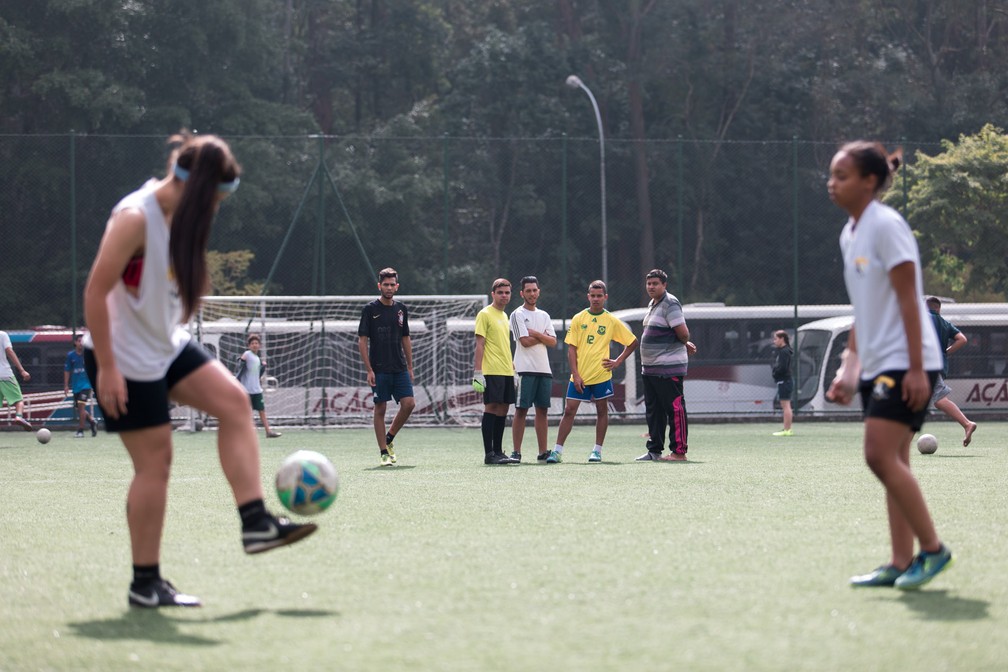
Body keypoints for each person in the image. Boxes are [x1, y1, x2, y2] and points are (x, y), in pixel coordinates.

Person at [82, 135, 316, 608]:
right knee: (156, 464)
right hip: (123, 357)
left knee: (234, 402)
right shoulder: (135, 217)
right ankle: (145, 584)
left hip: (164, 345)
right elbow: (94, 292)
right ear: (200, 186)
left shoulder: (180, 217)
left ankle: (256, 524)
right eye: (216, 198)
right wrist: (107, 366)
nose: (217, 208)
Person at [825, 140, 953, 590]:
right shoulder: (850, 233)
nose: (831, 184)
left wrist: (919, 369)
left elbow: (906, 299)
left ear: (870, 181)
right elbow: (864, 307)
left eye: (842, 176)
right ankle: (901, 563)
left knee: (879, 455)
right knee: (895, 460)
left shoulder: (886, 225)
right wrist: (849, 365)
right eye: (832, 175)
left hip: (906, 362)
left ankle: (933, 549)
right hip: (879, 361)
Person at [547, 280, 638, 463]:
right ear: (588, 296)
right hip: (579, 376)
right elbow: (571, 349)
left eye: (599, 296)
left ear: (605, 297)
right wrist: (577, 374)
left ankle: (597, 451)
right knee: (569, 410)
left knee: (601, 410)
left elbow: (633, 342)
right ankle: (557, 451)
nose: (596, 299)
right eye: (593, 296)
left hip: (602, 375)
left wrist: (618, 361)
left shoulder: (611, 320)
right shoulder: (579, 318)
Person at [357, 267, 416, 467]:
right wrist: (369, 369)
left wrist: (410, 366)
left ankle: (389, 438)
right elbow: (362, 341)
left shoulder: (401, 309)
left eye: (392, 284)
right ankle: (383, 452)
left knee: (409, 404)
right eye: (386, 284)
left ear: (397, 286)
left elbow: (405, 338)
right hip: (379, 369)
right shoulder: (370, 309)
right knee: (380, 407)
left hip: (399, 367)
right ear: (379, 286)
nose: (389, 288)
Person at [635, 269, 695, 462]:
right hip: (650, 369)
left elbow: (683, 333)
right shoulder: (653, 304)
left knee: (674, 409)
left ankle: (679, 452)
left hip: (668, 369)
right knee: (654, 412)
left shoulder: (670, 303)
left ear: (664, 285)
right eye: (649, 283)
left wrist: (684, 341)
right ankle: (654, 451)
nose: (651, 287)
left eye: (655, 284)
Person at [509, 275, 557, 462]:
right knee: (521, 410)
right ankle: (516, 452)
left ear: (539, 291)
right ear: (522, 293)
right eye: (528, 290)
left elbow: (553, 341)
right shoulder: (517, 314)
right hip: (524, 370)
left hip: (543, 370)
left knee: (542, 411)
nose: (532, 293)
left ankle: (543, 452)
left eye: (534, 290)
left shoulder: (544, 315)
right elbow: (525, 342)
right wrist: (543, 336)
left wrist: (536, 333)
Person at [473, 278, 518, 465]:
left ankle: (499, 452)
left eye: (507, 292)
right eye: (500, 292)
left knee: (504, 409)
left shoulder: (504, 316)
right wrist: (478, 372)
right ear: (493, 294)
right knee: (491, 407)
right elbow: (480, 344)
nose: (504, 295)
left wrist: (512, 367)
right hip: (491, 370)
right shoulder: (485, 314)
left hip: (506, 370)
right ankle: (489, 453)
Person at [926, 297, 977, 447]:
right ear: (939, 309)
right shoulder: (945, 323)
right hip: (938, 365)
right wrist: (946, 352)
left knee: (939, 400)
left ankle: (967, 423)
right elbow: (962, 339)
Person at [236, 333, 281, 439]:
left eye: (256, 343)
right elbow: (240, 365)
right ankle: (246, 434)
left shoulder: (257, 358)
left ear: (259, 345)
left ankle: (268, 432)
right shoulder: (247, 354)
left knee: (262, 411)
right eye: (252, 343)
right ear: (249, 345)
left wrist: (263, 367)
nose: (255, 345)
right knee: (246, 413)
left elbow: (257, 375)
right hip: (246, 391)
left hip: (257, 390)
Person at [64, 333, 99, 438]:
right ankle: (92, 421)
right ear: (75, 342)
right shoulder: (71, 356)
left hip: (86, 385)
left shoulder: (89, 354)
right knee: (80, 409)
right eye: (79, 341)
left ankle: (80, 430)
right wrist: (66, 385)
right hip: (76, 387)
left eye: (82, 341)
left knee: (81, 406)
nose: (81, 343)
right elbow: (67, 370)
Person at [0, 330, 33, 431]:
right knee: (18, 400)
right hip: (4, 374)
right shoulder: (2, 335)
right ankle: (19, 416)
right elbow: (9, 351)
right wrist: (22, 371)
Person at [770, 330, 794, 437]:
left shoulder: (784, 352)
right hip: (784, 381)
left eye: (776, 339)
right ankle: (786, 428)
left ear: (782, 339)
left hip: (785, 381)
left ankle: (787, 430)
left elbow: (782, 367)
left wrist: (775, 372)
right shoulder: (784, 351)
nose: (774, 341)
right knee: (785, 405)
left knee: (786, 406)